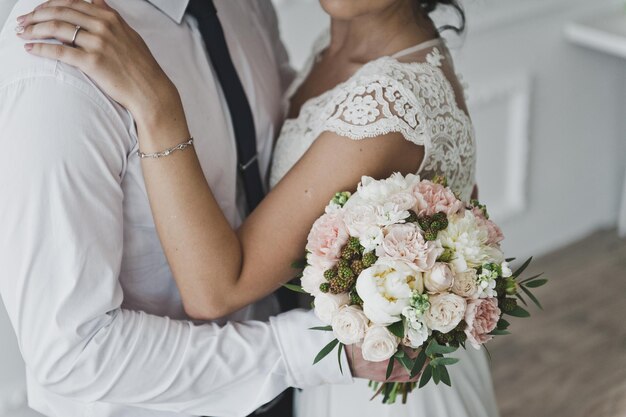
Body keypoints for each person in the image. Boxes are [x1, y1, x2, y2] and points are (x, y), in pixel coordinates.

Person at [10, 0, 500, 416]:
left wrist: (158, 107)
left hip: (374, 388)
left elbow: (219, 288)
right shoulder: (55, 72)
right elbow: (69, 352)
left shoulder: (390, 98)